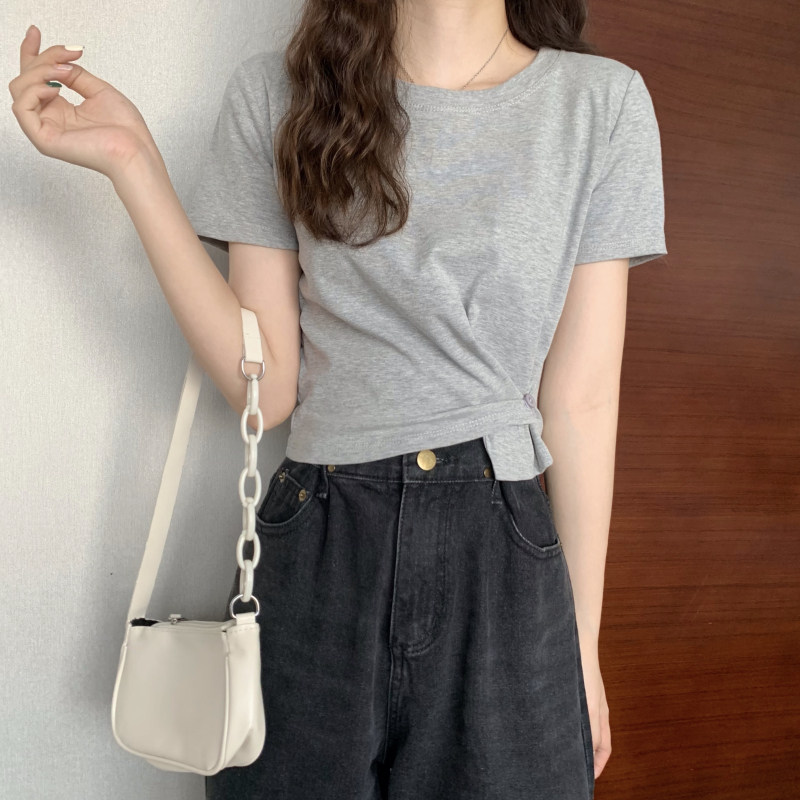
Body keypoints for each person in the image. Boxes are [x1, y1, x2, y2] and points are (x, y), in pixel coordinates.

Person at [10, 0, 666, 796]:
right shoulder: (278, 95)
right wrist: (133, 162)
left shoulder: (601, 104)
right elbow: (265, 386)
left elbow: (582, 401)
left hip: (503, 555)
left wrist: (580, 648)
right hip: (320, 538)